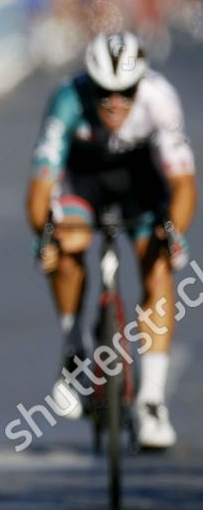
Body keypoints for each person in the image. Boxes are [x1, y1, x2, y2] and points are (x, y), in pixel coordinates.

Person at [26, 31, 196, 450]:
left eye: (126, 92)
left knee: (156, 262)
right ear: (90, 85)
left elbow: (183, 184)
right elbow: (41, 186)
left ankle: (151, 402)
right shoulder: (66, 100)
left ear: (141, 84)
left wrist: (173, 233)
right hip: (85, 180)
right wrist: (44, 237)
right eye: (105, 92)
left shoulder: (160, 99)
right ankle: (72, 351)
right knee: (66, 246)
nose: (115, 102)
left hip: (141, 179)